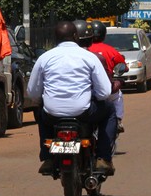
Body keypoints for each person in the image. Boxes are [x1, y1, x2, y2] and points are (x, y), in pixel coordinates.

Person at [27, 20, 118, 176]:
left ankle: (47, 157)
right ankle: (103, 158)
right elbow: (104, 92)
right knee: (110, 111)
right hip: (83, 112)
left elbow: (33, 93)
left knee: (41, 113)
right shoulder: (89, 58)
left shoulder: (44, 58)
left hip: (53, 115)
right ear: (76, 36)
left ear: (55, 37)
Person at [89, 20, 127, 132]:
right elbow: (123, 66)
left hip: (84, 89)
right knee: (117, 95)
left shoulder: (82, 51)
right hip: (105, 89)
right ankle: (118, 121)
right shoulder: (110, 50)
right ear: (104, 35)